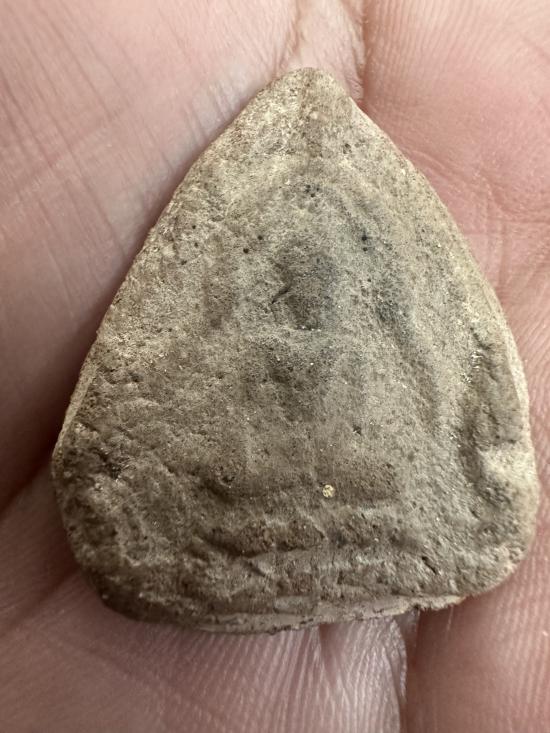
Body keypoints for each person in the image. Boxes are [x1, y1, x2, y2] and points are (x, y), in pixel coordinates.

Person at [0, 2, 548, 731]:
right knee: (229, 475)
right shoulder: (241, 318)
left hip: (362, 490)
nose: (307, 285)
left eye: (326, 271)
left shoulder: (374, 328)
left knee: (370, 473)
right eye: (289, 268)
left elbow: (423, 380)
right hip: (254, 494)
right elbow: (193, 388)